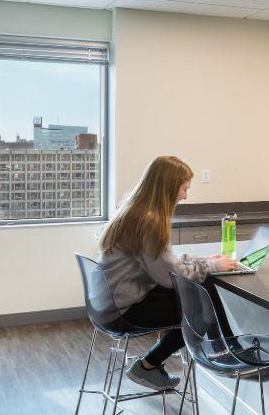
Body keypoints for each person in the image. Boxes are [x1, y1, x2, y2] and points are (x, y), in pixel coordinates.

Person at [98, 156, 237, 391]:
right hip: (123, 310)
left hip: (112, 303)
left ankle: (224, 349)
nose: (185, 196)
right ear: (169, 187)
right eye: (184, 188)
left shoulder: (136, 211)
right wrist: (211, 267)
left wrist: (204, 261)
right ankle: (226, 352)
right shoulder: (149, 221)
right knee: (201, 306)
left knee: (201, 295)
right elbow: (167, 276)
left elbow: (164, 263)